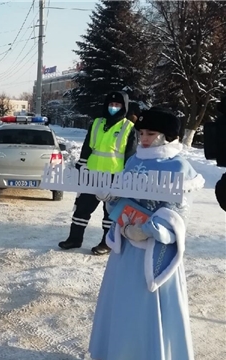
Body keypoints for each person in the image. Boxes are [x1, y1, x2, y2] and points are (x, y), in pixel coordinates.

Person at [88, 106, 204, 360]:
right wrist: (111, 199)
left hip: (155, 250)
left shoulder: (178, 166)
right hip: (126, 249)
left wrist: (147, 230)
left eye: (150, 134)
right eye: (141, 133)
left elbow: (177, 213)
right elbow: (123, 198)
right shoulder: (133, 160)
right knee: (122, 304)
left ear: (166, 136)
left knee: (147, 305)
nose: (143, 138)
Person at [59, 91, 138, 255]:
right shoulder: (97, 123)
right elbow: (87, 146)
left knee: (110, 213)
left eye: (117, 105)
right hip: (92, 175)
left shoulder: (128, 127)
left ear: (124, 107)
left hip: (114, 177)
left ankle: (106, 243)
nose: (113, 107)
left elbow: (130, 155)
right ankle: (74, 239)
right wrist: (82, 166)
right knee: (81, 209)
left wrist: (126, 177)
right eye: (111, 104)